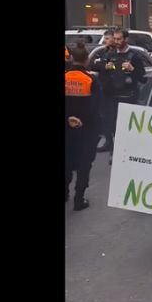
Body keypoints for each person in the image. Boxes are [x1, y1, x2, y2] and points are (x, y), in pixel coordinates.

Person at [93, 29, 148, 157]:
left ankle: (128, 153)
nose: (116, 42)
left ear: (126, 39)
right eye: (115, 39)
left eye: (119, 39)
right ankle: (114, 153)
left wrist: (133, 69)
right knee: (111, 125)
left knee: (126, 128)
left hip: (128, 97)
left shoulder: (133, 56)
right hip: (112, 97)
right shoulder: (110, 54)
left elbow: (142, 77)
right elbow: (98, 66)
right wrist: (105, 67)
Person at [65, 46, 100, 210]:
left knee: (67, 161)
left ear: (71, 58)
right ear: (86, 60)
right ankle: (79, 200)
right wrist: (82, 121)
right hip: (86, 130)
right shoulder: (91, 79)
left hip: (67, 129)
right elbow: (95, 107)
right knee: (84, 165)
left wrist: (68, 119)